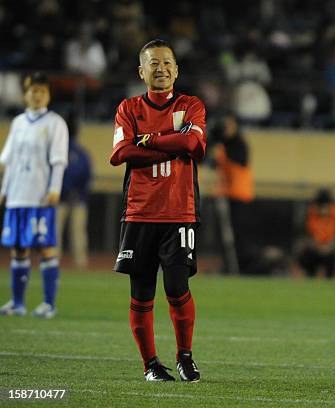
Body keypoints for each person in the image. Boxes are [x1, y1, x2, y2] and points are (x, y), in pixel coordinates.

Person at [109, 39, 206, 382]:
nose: (161, 68)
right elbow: (121, 154)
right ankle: (150, 365)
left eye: (167, 62)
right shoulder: (128, 108)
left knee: (178, 288)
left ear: (177, 70)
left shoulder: (191, 105)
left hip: (180, 212)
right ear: (141, 71)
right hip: (139, 212)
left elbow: (193, 144)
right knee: (142, 291)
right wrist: (172, 144)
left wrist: (147, 141)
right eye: (154, 63)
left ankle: (185, 357)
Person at [0, 72, 68, 319]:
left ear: (48, 95)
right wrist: (4, 191)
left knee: (45, 247)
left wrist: (55, 188)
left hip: (39, 195)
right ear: (25, 94)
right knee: (18, 249)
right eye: (32, 90)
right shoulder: (18, 122)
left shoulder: (55, 123)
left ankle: (49, 304)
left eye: (41, 91)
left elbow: (59, 160)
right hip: (17, 195)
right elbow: (7, 160)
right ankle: (18, 303)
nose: (36, 95)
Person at [213, 115, 254, 274]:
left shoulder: (238, 144)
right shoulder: (223, 144)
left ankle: (241, 266)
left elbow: (239, 160)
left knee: (238, 233)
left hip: (239, 195)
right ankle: (229, 264)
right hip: (227, 193)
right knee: (225, 233)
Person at [57, 110, 92, 268]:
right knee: (59, 231)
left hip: (75, 198)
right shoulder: (61, 151)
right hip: (62, 198)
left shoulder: (79, 152)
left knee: (75, 232)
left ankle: (77, 263)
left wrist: (76, 193)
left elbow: (86, 175)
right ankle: (55, 261)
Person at [298, 189, 335, 279]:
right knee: (307, 258)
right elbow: (305, 235)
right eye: (321, 206)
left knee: (333, 260)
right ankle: (310, 276)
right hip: (313, 249)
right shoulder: (310, 216)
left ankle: (330, 279)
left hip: (330, 250)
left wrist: (329, 246)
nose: (323, 209)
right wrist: (316, 246)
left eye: (326, 206)